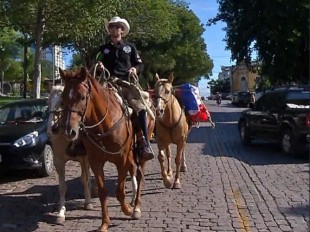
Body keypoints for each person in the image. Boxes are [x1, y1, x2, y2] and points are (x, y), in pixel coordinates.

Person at [94, 16, 154, 161]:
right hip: (108, 84)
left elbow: (140, 64)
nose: (114, 29)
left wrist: (134, 68)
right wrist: (99, 66)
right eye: (112, 27)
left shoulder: (130, 47)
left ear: (122, 30)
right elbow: (95, 62)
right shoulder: (103, 49)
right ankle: (84, 143)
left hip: (126, 84)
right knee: (90, 105)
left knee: (140, 107)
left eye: (117, 27)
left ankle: (143, 142)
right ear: (109, 30)